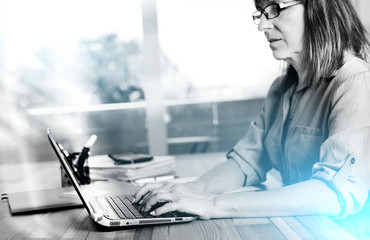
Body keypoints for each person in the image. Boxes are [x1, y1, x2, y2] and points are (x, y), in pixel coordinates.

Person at [133, 0, 370, 219]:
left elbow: (332, 193)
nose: (263, 26)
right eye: (261, 13)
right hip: (296, 227)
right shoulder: (280, 89)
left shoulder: (355, 81)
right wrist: (188, 190)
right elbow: (248, 160)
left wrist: (212, 204)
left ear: (319, 8)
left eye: (275, 8)